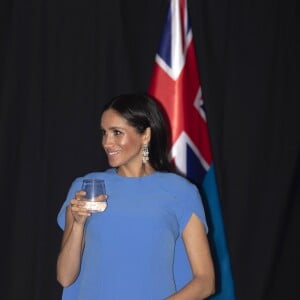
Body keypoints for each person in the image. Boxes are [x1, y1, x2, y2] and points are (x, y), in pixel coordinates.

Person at [56, 93, 215, 300]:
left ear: (145, 135)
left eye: (117, 133)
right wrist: (78, 225)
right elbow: (65, 278)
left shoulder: (180, 192)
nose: (107, 142)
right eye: (104, 133)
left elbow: (205, 282)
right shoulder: (87, 188)